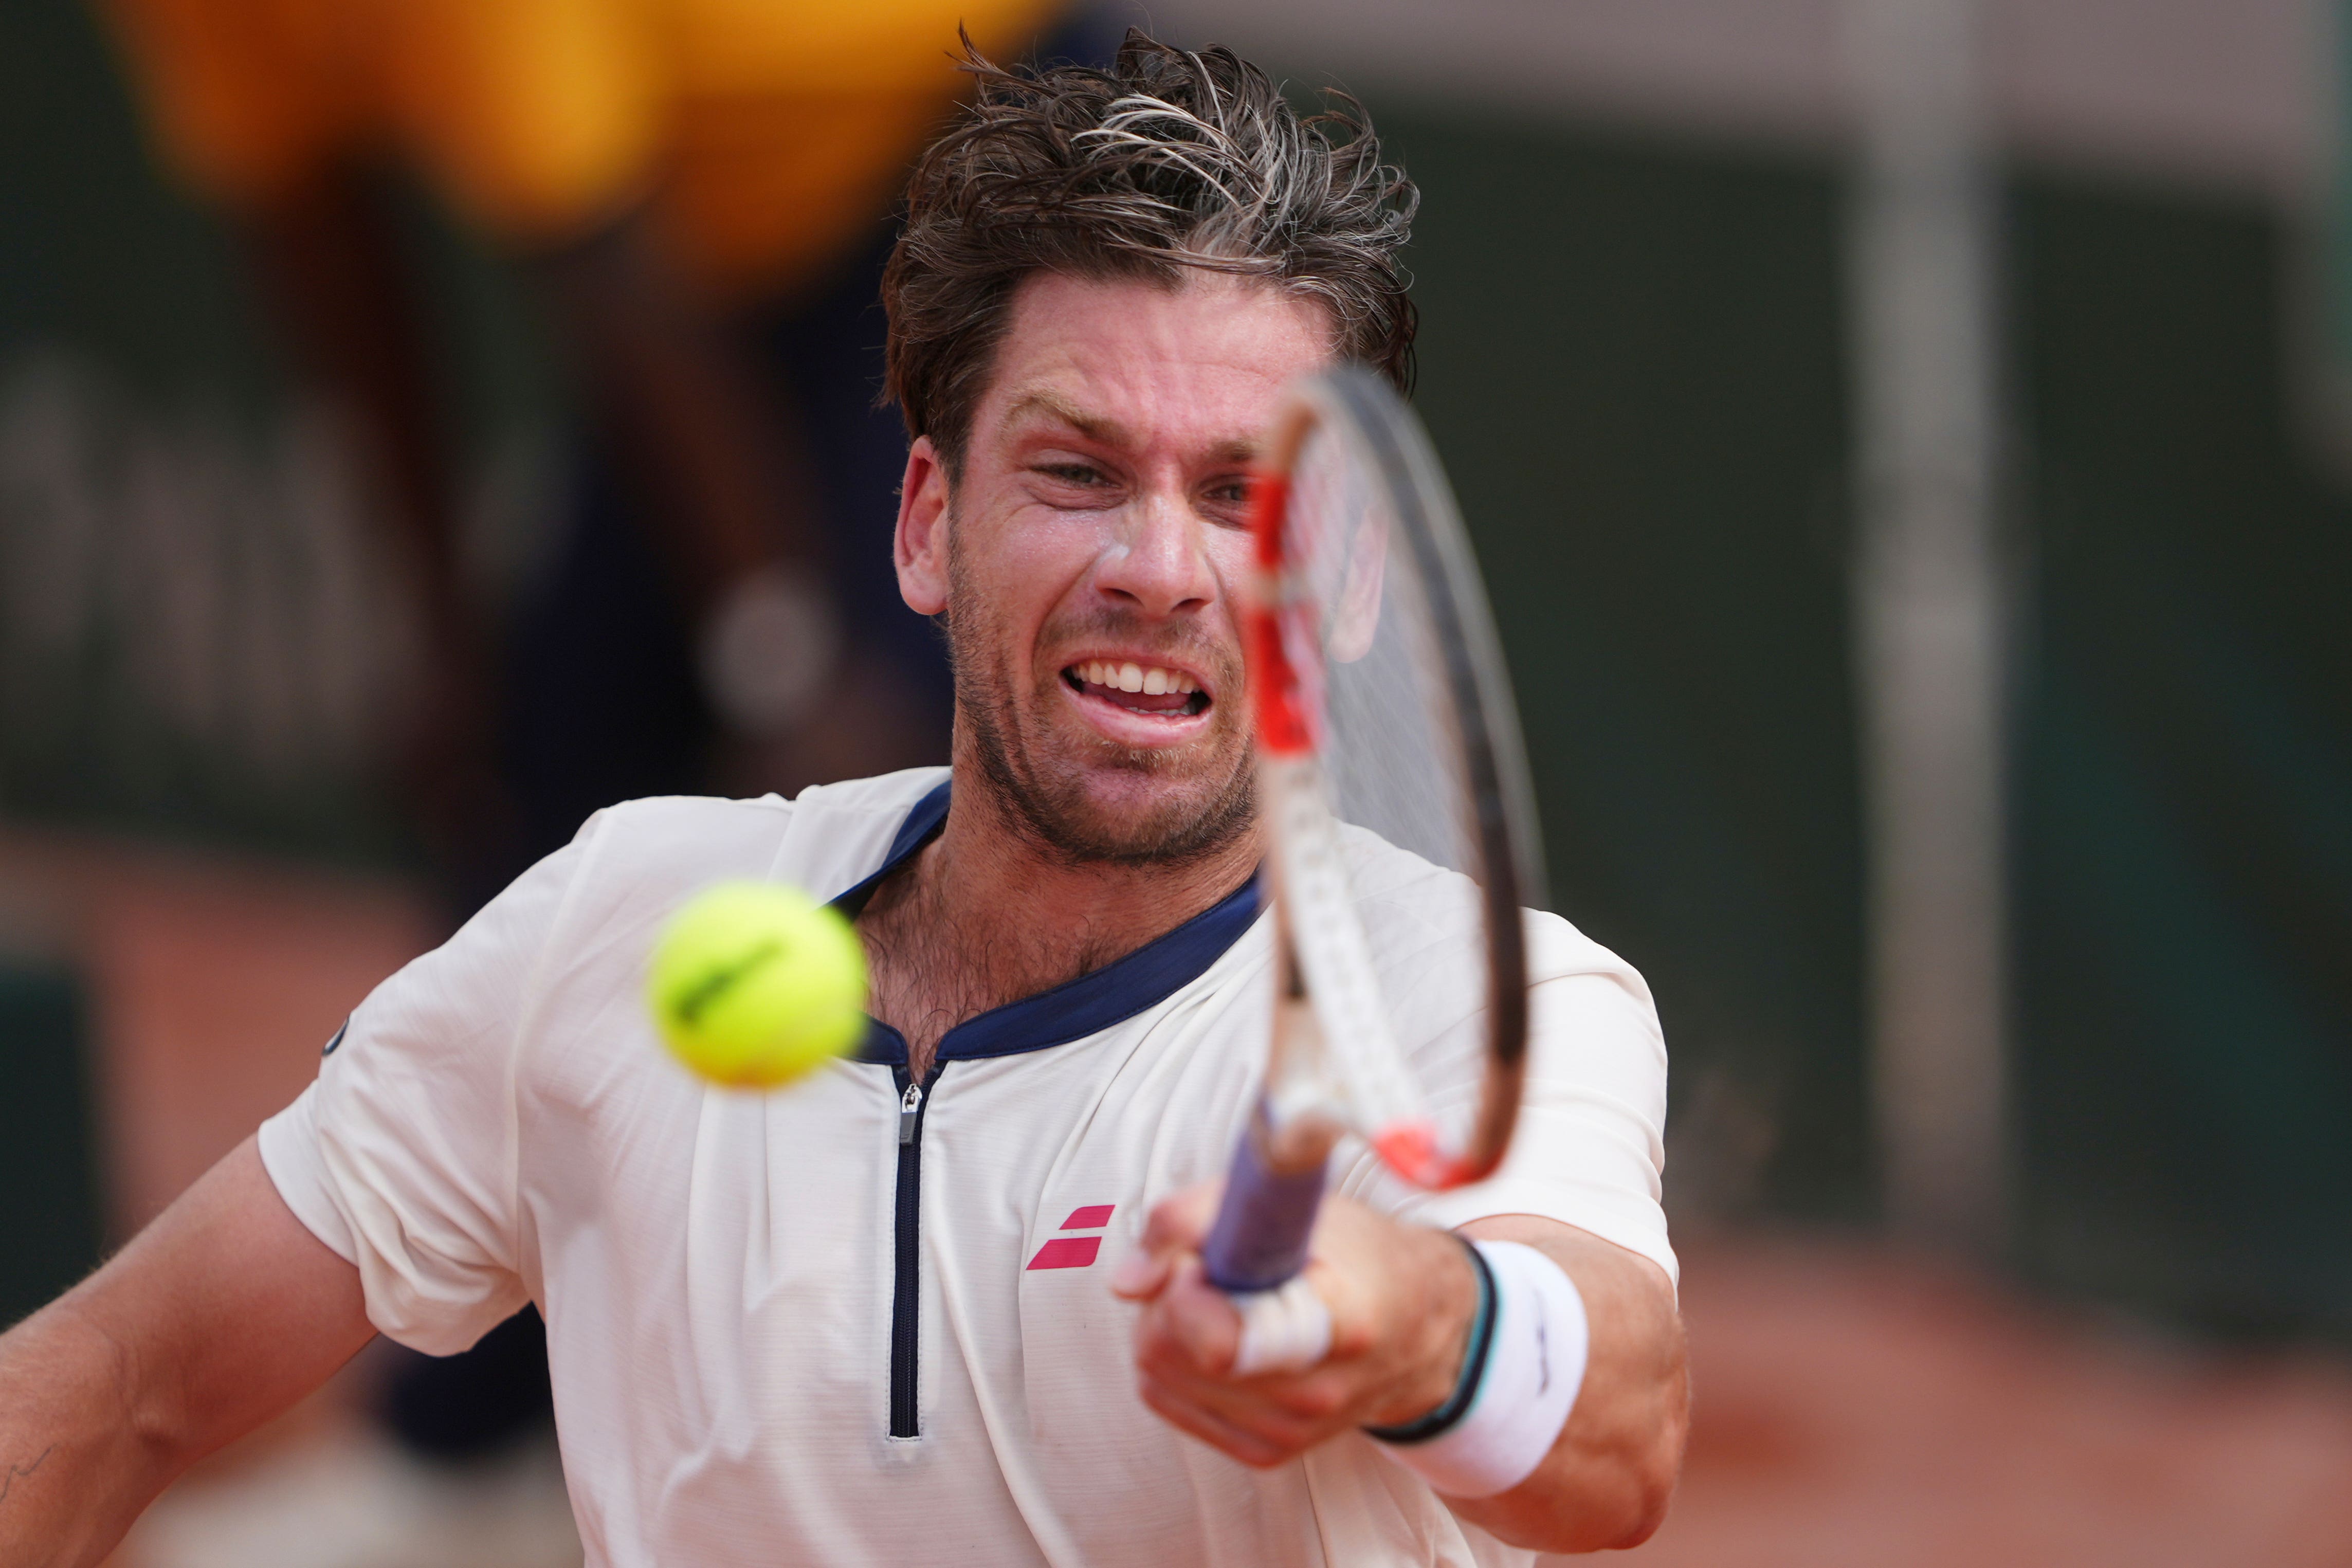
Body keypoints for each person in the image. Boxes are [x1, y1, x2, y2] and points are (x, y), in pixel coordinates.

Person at [0, 34, 1687, 1565]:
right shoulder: (618, 918)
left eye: (1244, 496)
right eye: (1078, 470)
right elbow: (120, 1376)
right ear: (921, 525)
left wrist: (1410, 1324)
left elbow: (1613, 1437)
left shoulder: (1476, 999)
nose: (1160, 568)